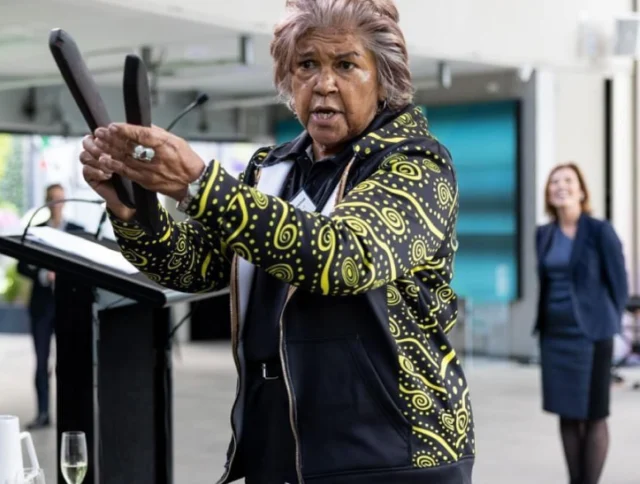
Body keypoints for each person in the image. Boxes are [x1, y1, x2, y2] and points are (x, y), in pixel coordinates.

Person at [79, 0, 475, 482]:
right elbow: (195, 266)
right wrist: (133, 212)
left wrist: (201, 185)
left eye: (346, 64)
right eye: (307, 64)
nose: (323, 83)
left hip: (389, 452)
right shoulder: (274, 169)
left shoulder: (416, 165)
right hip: (278, 442)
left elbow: (345, 257)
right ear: (289, 79)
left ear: (384, 78)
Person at [535, 163, 628, 484]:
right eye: (554, 182)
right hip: (555, 337)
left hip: (592, 336)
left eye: (568, 181)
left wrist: (610, 324)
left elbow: (618, 283)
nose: (561, 186)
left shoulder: (600, 231)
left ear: (582, 190)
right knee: (567, 413)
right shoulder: (544, 235)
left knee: (594, 415)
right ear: (548, 193)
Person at [17, 184, 83, 429]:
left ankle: (71, 413)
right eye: (52, 199)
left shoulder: (77, 231)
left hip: (70, 306)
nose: (57, 203)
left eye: (60, 199)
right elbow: (23, 266)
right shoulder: (36, 231)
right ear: (46, 202)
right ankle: (43, 412)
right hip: (42, 306)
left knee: (69, 361)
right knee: (42, 361)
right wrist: (44, 275)